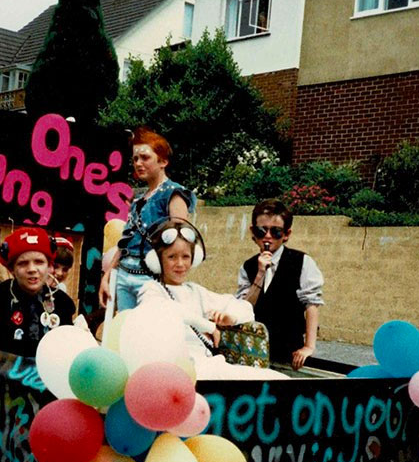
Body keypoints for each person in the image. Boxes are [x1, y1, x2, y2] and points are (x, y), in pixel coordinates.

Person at [138, 218, 287, 381]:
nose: (180, 264)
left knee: (278, 379)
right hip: (172, 370)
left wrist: (229, 317)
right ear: (157, 260)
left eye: (186, 257)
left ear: (194, 259)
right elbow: (168, 310)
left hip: (205, 366)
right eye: (172, 257)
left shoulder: (196, 291)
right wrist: (209, 327)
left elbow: (244, 308)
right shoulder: (151, 289)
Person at [99, 128, 195, 312]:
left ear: (163, 161)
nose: (138, 163)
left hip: (151, 279)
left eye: (145, 157)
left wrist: (171, 285)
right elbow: (125, 241)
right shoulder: (138, 199)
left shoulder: (173, 194)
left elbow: (180, 243)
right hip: (124, 276)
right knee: (126, 331)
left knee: (148, 333)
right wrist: (108, 275)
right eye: (135, 159)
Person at [237, 199, 324, 370]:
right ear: (253, 232)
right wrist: (260, 274)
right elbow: (243, 307)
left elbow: (312, 305)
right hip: (254, 350)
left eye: (275, 231)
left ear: (286, 234)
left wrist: (309, 346)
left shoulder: (302, 262)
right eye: (262, 230)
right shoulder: (248, 266)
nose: (268, 236)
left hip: (289, 351)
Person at [0, 227, 76, 357]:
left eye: (39, 262)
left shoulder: (63, 303)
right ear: (11, 269)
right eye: (23, 263)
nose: (32, 269)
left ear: (49, 266)